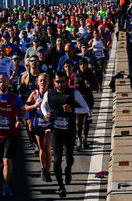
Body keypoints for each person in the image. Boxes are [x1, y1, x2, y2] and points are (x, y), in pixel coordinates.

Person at [40, 70, 90, 198]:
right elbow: (43, 106)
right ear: (54, 82)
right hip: (55, 130)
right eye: (57, 81)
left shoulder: (74, 93)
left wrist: (73, 110)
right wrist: (46, 114)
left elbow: (86, 108)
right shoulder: (49, 94)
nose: (60, 84)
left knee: (69, 158)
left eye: (62, 81)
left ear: (66, 81)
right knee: (57, 160)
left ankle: (68, 170)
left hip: (69, 131)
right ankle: (61, 187)